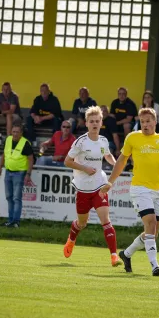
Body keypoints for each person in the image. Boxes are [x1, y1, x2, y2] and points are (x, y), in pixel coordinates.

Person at [100, 108, 159, 276]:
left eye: (148, 121)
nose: (145, 124)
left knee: (153, 232)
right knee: (150, 223)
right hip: (139, 188)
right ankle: (154, 265)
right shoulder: (133, 138)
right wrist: (110, 182)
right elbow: (121, 161)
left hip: (157, 190)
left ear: (155, 122)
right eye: (142, 122)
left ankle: (126, 254)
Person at [62, 106, 121, 267]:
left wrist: (116, 165)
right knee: (82, 223)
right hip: (82, 189)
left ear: (101, 123)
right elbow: (67, 161)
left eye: (97, 121)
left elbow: (107, 155)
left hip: (99, 187)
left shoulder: (103, 141)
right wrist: (84, 168)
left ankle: (114, 256)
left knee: (106, 221)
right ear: (86, 123)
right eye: (91, 121)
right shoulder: (80, 142)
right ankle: (71, 239)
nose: (94, 124)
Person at [0, 123, 34, 228]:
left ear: (21, 133)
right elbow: (4, 154)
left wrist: (28, 174)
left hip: (19, 173)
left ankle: (16, 221)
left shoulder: (25, 143)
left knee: (16, 198)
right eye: (13, 131)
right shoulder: (8, 140)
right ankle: (10, 220)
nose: (15, 134)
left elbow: (31, 159)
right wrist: (0, 167)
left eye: (17, 132)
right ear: (11, 132)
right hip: (8, 171)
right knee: (9, 197)